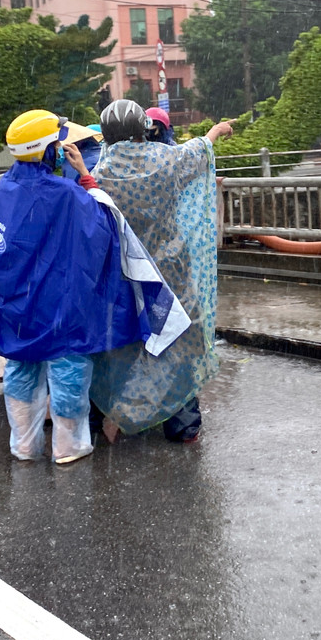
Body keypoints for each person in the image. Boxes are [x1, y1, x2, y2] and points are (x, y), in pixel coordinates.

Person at [0, 110, 154, 464]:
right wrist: (86, 177)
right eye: (57, 142)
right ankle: (69, 446)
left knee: (22, 370)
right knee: (68, 370)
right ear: (47, 149)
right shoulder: (64, 193)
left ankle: (24, 445)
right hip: (58, 306)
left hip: (18, 307)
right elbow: (104, 226)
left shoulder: (5, 189)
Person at [89, 99, 234, 442]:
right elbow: (197, 151)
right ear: (143, 128)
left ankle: (116, 415)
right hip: (170, 268)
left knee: (127, 343)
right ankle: (182, 424)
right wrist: (214, 130)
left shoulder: (99, 172)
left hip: (126, 272)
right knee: (180, 338)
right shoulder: (166, 160)